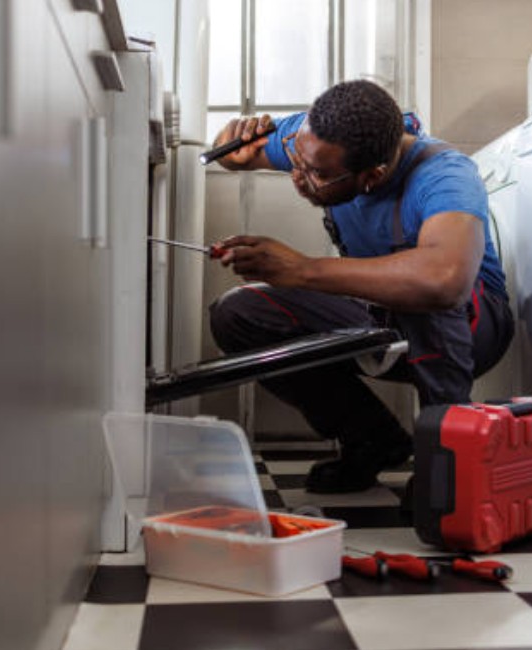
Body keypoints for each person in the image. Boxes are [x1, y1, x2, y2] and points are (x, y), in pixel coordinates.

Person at [208, 80, 513, 493]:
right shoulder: (315, 137)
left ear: (373, 177)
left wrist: (300, 269)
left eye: (317, 174)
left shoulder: (445, 175)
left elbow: (446, 282)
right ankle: (372, 441)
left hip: (472, 327)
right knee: (239, 314)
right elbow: (237, 152)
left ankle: (447, 462)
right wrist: (231, 149)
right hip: (377, 313)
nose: (298, 173)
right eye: (298, 156)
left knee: (419, 286)